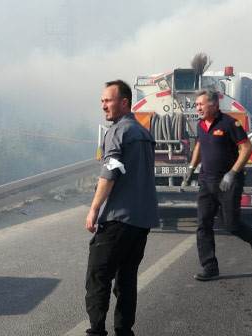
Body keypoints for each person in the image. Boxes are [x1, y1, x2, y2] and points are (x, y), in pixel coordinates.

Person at [84, 80, 158, 336]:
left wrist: (94, 208)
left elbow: (111, 170)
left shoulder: (118, 131)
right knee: (126, 278)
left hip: (118, 219)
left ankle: (96, 330)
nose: (103, 105)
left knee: (98, 275)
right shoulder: (144, 134)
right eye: (102, 100)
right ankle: (124, 331)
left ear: (124, 102)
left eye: (108, 100)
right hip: (141, 220)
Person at [181, 89, 252, 281]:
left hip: (228, 183)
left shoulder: (230, 123)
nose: (197, 108)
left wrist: (232, 173)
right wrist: (191, 167)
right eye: (197, 104)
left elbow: (246, 148)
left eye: (201, 104)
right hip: (206, 181)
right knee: (203, 224)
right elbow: (200, 145)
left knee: (231, 225)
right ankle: (209, 266)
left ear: (214, 105)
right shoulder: (201, 124)